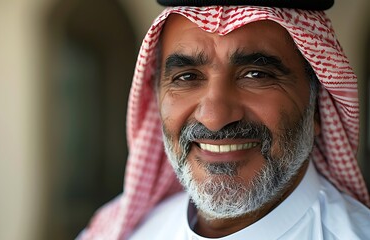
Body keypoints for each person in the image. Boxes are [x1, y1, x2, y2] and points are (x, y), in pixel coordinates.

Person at [80, 1, 370, 239]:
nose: (215, 118)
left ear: (317, 107)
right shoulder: (125, 233)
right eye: (187, 77)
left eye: (256, 75)